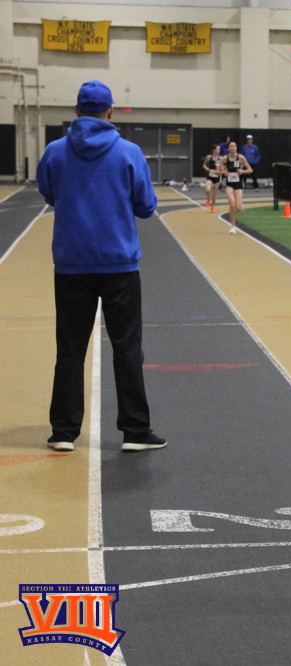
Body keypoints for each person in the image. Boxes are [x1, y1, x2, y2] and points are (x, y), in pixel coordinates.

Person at [36, 80, 166, 453]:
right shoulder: (129, 152)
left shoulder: (55, 151)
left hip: (71, 265)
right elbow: (146, 206)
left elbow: (48, 193)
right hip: (119, 264)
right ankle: (135, 431)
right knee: (127, 347)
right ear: (110, 111)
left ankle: (63, 432)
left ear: (77, 111)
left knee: (70, 349)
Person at [221, 141, 252, 234]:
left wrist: (242, 171)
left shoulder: (241, 157)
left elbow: (250, 169)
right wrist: (224, 172)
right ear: (228, 148)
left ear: (236, 148)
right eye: (231, 146)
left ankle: (241, 206)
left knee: (238, 207)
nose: (233, 147)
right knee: (232, 204)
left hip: (238, 183)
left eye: (235, 146)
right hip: (229, 184)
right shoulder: (224, 158)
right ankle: (232, 226)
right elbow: (218, 170)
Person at [202, 144, 222, 213]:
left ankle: (212, 207)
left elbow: (223, 168)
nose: (219, 150)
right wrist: (206, 168)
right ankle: (208, 199)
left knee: (214, 194)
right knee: (207, 189)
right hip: (210, 176)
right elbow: (204, 164)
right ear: (213, 150)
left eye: (219, 149)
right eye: (217, 149)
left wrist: (219, 169)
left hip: (217, 177)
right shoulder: (209, 157)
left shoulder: (221, 158)